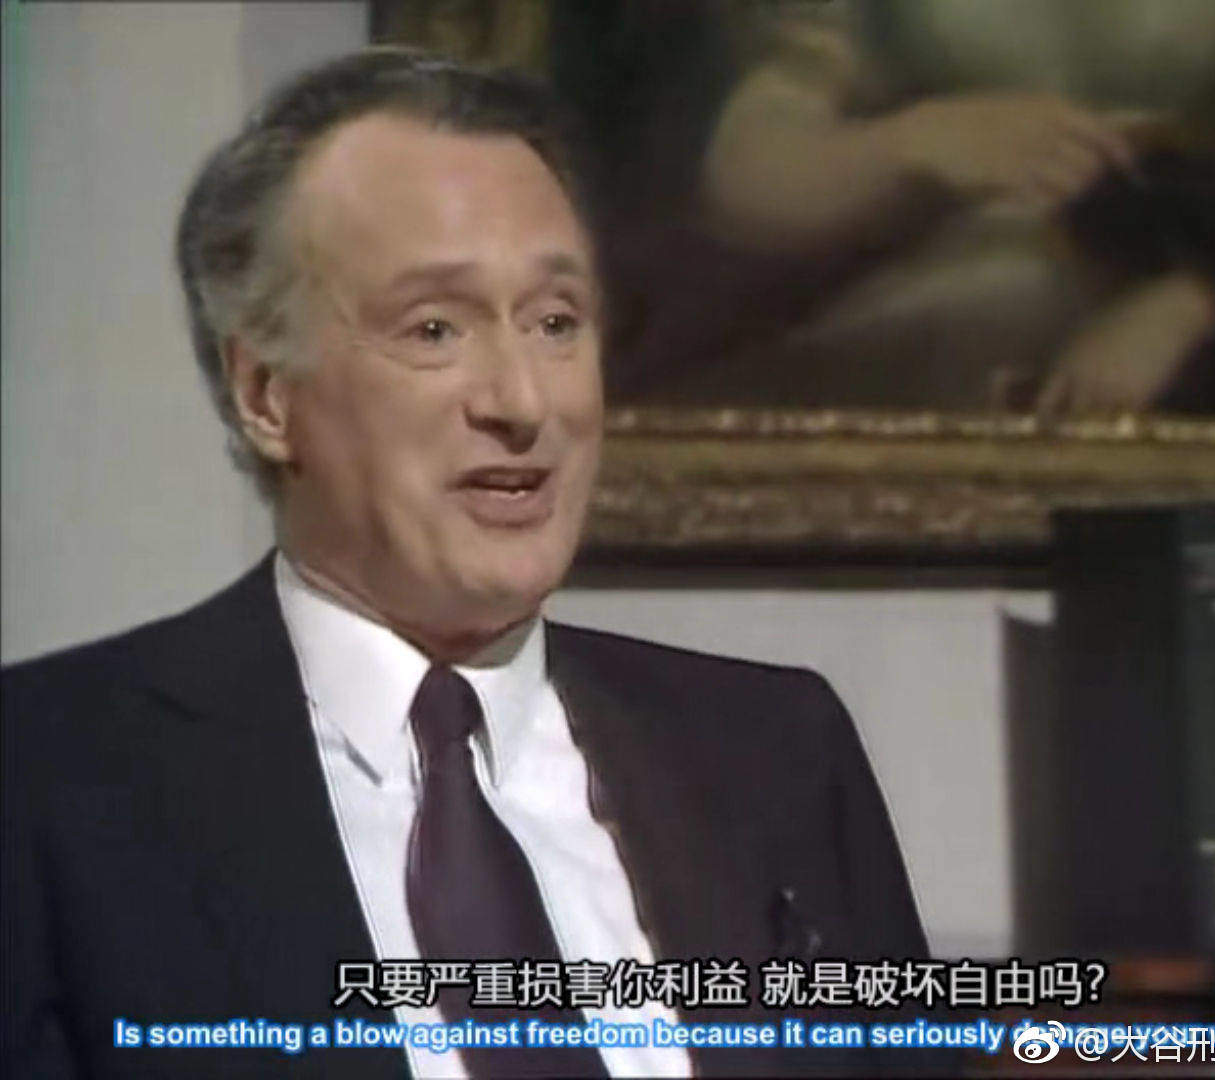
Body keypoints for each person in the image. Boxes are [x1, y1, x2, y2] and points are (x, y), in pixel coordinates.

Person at [1, 49, 928, 1079]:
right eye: (435, 328)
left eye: (555, 323)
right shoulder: (50, 781)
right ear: (266, 395)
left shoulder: (776, 751)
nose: (523, 402)